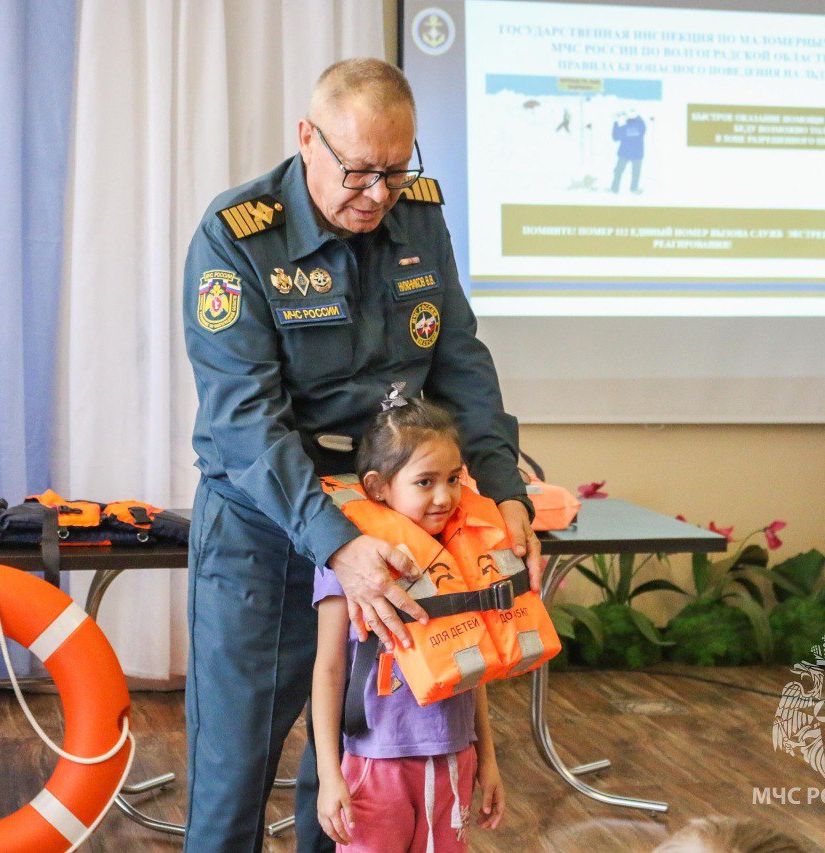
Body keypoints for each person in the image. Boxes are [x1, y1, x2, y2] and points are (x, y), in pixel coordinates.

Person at [182, 57, 539, 851]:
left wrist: (507, 489)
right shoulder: (237, 236)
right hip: (267, 530)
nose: (378, 194)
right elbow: (245, 420)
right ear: (306, 138)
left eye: (396, 171)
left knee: (353, 766)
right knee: (234, 766)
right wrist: (336, 543)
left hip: (392, 525)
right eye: (358, 172)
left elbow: (460, 360)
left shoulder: (418, 217)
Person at [312, 397, 505, 851]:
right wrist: (328, 774)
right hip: (374, 764)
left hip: (455, 757)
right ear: (378, 488)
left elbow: (471, 667)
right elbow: (328, 671)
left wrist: (488, 759)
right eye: (425, 482)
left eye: (454, 479)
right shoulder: (347, 566)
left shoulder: (461, 556)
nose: (444, 496)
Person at [610, 107, 646, 194]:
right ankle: (633, 189)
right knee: (635, 173)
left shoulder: (624, 127)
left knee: (618, 171)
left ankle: (614, 189)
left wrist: (616, 122)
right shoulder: (641, 125)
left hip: (625, 153)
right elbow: (642, 126)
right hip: (637, 153)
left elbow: (615, 137)